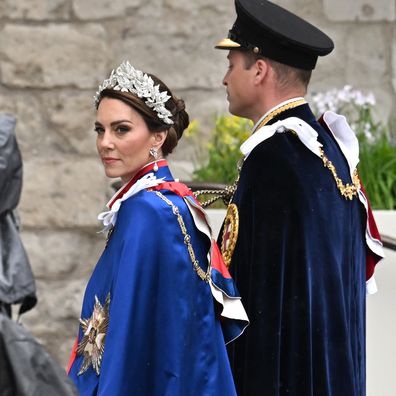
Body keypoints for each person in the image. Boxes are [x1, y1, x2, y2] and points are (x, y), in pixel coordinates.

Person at [214, 1, 385, 395]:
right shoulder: (331, 151)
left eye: (231, 64)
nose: (224, 79)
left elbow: (257, 303)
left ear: (259, 70)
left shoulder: (273, 158)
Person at [67, 61, 248, 395]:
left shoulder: (148, 211)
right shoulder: (162, 202)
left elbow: (129, 338)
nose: (105, 142)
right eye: (99, 129)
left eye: (120, 129)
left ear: (158, 136)